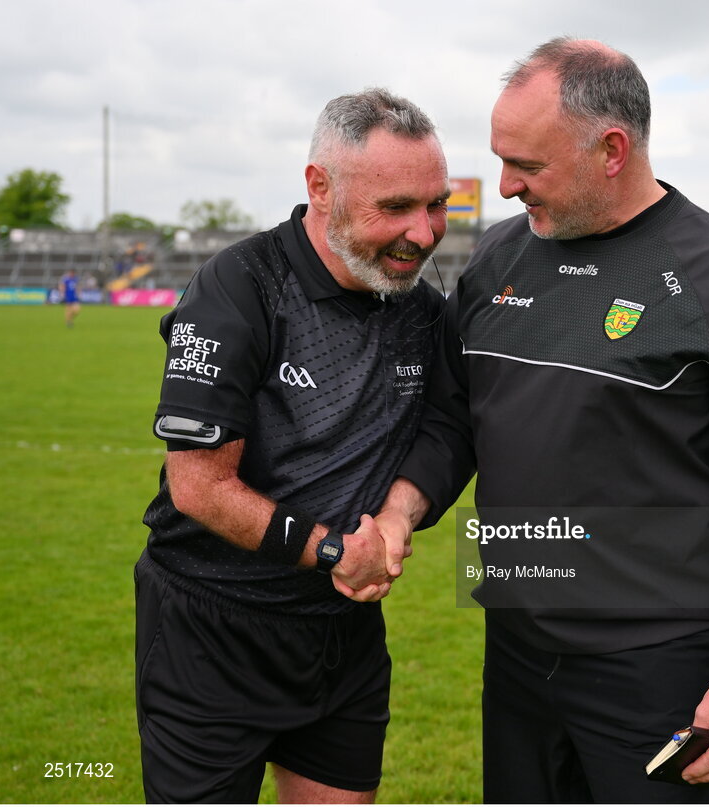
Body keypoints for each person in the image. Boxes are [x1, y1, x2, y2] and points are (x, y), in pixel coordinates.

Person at [375, 38, 709, 804]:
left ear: (611, 149)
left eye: (527, 164)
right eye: (499, 158)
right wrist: (399, 508)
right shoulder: (496, 262)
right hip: (517, 655)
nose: (505, 184)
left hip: (658, 669)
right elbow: (454, 420)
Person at [135, 88, 450, 804]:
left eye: (435, 205)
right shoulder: (240, 288)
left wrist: (396, 520)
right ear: (320, 186)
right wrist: (337, 551)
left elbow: (446, 428)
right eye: (396, 207)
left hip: (342, 633)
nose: (424, 234)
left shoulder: (423, 310)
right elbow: (200, 487)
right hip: (211, 632)